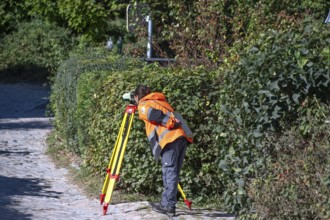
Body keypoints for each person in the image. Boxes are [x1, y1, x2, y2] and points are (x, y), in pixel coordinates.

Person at [133, 85, 193, 216]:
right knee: (174, 172)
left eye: (134, 98)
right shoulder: (160, 101)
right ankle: (166, 203)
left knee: (169, 172)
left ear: (137, 97)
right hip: (181, 138)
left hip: (170, 139)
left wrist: (170, 123)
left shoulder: (144, 105)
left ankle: (168, 206)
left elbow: (155, 116)